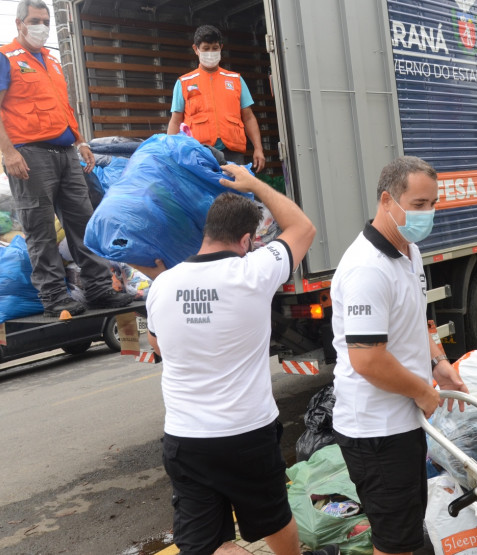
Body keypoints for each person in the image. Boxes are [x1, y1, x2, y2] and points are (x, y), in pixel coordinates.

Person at [145, 165, 331, 555]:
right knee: (273, 517)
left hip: (186, 438)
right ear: (246, 240)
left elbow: (158, 346)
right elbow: (302, 228)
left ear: (207, 232)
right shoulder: (254, 272)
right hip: (246, 433)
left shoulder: (161, 285)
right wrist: (256, 186)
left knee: (207, 544)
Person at [330, 156, 468, 555]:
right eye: (420, 204)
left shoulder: (409, 250)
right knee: (394, 544)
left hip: (399, 421)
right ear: (388, 200)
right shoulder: (367, 269)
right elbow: (367, 360)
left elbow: (415, 318)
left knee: (404, 533)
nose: (429, 213)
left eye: (433, 204)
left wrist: (438, 364)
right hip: (375, 430)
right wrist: (422, 393)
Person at [0, 0, 132, 317]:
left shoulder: (51, 60)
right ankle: (54, 296)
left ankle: (100, 289)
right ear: (19, 23)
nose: (42, 26)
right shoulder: (3, 58)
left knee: (84, 222)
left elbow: (64, 108)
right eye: (36, 20)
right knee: (40, 230)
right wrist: (9, 152)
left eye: (46, 20)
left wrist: (80, 142)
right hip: (29, 155)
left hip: (66, 153)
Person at [167, 25, 265, 172]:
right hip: (199, 153)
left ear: (221, 48)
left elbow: (249, 117)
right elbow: (175, 121)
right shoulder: (183, 82)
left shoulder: (235, 80)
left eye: (215, 48)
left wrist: (258, 149)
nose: (211, 53)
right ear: (196, 49)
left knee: (234, 194)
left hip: (233, 154)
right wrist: (170, 153)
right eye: (206, 48)